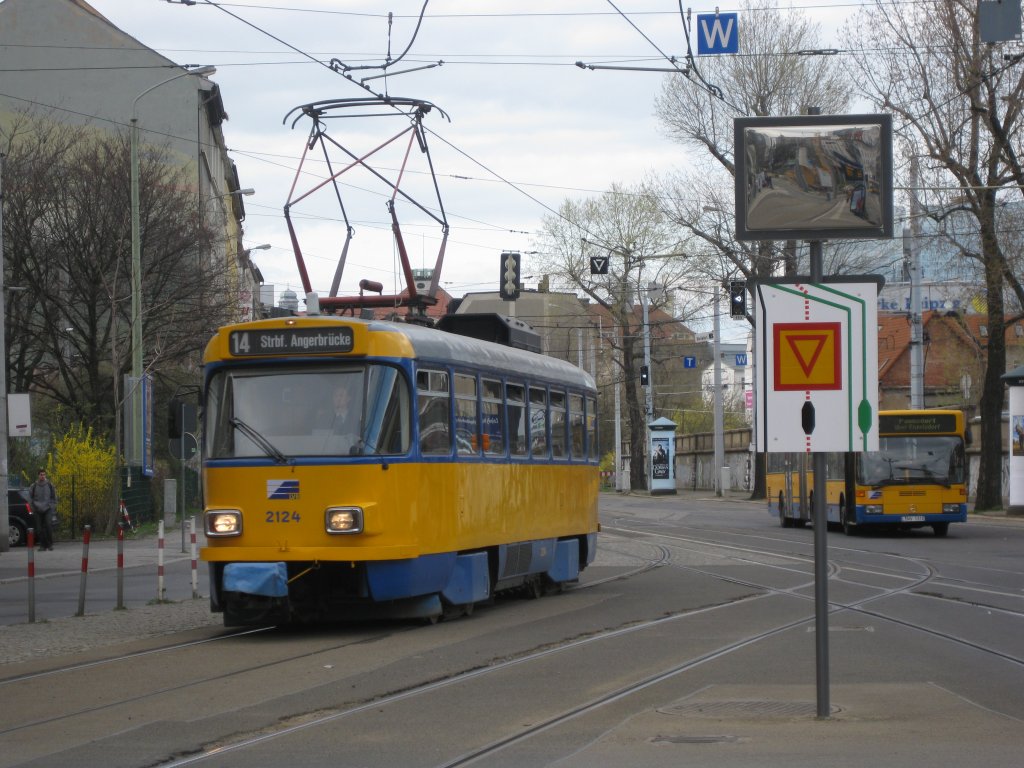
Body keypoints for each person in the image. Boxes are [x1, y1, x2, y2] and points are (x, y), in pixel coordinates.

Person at [28, 469, 57, 550]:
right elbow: (30, 498)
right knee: (39, 528)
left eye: (44, 474)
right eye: (41, 474)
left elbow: (54, 497)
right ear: (38, 475)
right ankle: (42, 545)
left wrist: (52, 506)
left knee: (48, 526)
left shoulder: (50, 485)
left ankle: (50, 545)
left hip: (48, 509)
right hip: (37, 509)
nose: (42, 476)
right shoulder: (34, 486)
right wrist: (33, 507)